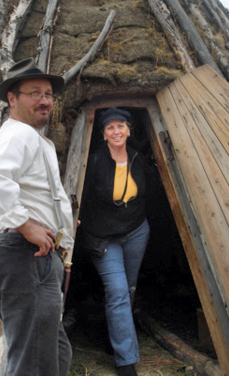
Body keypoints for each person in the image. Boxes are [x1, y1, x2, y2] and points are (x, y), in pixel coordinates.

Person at [0, 58, 74, 376]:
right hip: (25, 257)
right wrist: (26, 225)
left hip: (32, 258)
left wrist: (59, 225)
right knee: (34, 364)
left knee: (54, 354)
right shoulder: (20, 135)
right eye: (34, 93)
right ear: (12, 99)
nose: (44, 100)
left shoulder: (31, 138)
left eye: (48, 94)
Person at [79, 107, 150, 376]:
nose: (116, 131)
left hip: (135, 231)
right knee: (118, 291)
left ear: (129, 130)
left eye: (120, 125)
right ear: (103, 134)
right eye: (110, 127)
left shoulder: (137, 158)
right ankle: (126, 362)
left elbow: (149, 191)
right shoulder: (96, 160)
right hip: (103, 237)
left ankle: (118, 339)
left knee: (128, 290)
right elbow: (81, 194)